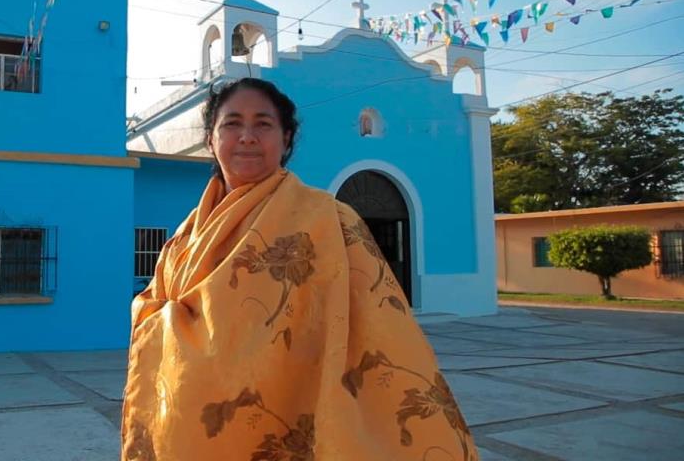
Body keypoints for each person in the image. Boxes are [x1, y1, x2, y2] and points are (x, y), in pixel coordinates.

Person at [122, 78, 478, 460]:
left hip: (291, 411)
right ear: (211, 139)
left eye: (263, 124)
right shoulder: (184, 236)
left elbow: (384, 331)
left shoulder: (329, 221)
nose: (247, 136)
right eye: (232, 124)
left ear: (286, 139)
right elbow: (151, 308)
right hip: (187, 424)